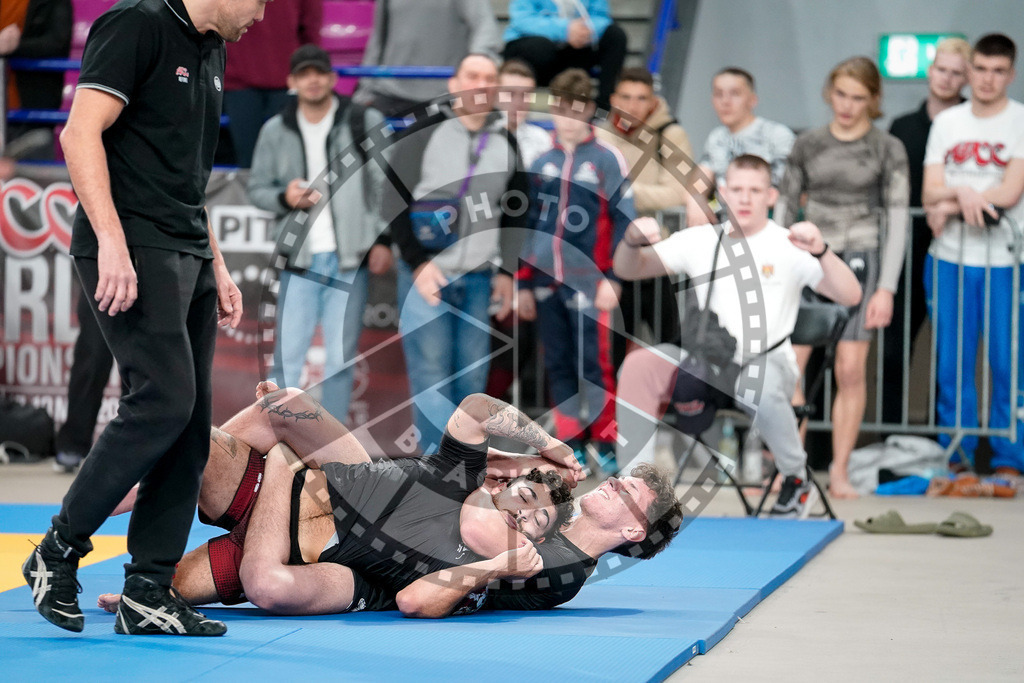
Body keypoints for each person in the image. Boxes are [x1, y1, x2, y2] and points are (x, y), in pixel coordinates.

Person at [22, 0, 261, 637]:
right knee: (161, 401)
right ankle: (58, 549)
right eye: (261, 2)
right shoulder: (135, 24)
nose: (262, 16)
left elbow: (185, 180)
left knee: (188, 425)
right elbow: (79, 134)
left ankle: (148, 590)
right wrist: (111, 244)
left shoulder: (212, 49)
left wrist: (219, 263)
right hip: (131, 244)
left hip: (187, 251)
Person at [100, 385, 578, 615]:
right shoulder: (464, 474)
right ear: (502, 485)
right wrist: (547, 445)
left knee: (250, 586)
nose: (525, 513)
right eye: (528, 498)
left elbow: (416, 602)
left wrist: (495, 567)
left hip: (282, 535)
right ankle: (86, 515)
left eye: (536, 522)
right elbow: (479, 408)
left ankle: (274, 460)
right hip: (290, 486)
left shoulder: (474, 578)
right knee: (219, 428)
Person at [612, 155, 862, 517]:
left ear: (771, 196)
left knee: (755, 380)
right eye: (737, 190)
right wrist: (631, 240)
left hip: (765, 363)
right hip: (703, 364)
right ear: (723, 193)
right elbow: (628, 269)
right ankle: (636, 489)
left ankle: (795, 477)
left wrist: (822, 251)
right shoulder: (699, 240)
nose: (744, 199)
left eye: (755, 190)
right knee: (638, 364)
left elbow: (851, 296)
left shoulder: (788, 243)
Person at [775, 56, 910, 499]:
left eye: (858, 97)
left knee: (851, 369)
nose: (847, 105)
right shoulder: (808, 144)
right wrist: (775, 265)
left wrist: (887, 286)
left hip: (862, 258)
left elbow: (897, 219)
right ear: (829, 93)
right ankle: (791, 471)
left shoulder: (887, 148)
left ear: (873, 100)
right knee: (791, 368)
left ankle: (840, 471)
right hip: (807, 257)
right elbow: (782, 209)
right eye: (841, 94)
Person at [384, 54, 526, 451]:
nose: (480, 84)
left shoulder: (506, 141)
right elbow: (391, 202)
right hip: (428, 276)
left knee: (472, 383)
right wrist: (417, 264)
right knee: (431, 377)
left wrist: (507, 272)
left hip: (480, 278)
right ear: (455, 82)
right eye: (472, 75)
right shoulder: (423, 133)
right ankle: (433, 475)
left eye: (488, 78)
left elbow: (520, 210)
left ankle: (467, 473)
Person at [248, 44, 392, 424]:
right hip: (300, 260)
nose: (313, 80)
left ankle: (333, 447)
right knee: (286, 359)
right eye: (304, 73)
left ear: (332, 77)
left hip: (349, 258)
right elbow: (257, 188)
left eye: (319, 72)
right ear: (291, 81)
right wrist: (284, 196)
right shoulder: (275, 129)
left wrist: (381, 239)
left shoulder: (363, 119)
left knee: (340, 358)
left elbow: (385, 185)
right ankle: (278, 438)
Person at [517, 68, 634, 473]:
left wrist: (614, 278)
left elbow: (624, 221)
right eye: (561, 111)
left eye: (576, 111)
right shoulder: (541, 161)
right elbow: (529, 225)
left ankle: (605, 442)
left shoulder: (606, 158)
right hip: (546, 282)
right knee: (558, 364)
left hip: (591, 282)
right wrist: (524, 284)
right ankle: (570, 444)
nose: (568, 119)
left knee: (595, 365)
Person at [922, 33, 1024, 478]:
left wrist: (950, 205)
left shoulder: (1020, 120)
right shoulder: (948, 122)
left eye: (998, 71)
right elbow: (928, 190)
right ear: (970, 71)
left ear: (1011, 74)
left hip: (1006, 260)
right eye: (980, 69)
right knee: (954, 362)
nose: (987, 79)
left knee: (1008, 362)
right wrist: (957, 193)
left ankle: (1009, 459)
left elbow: (1010, 191)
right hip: (949, 257)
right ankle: (958, 457)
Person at [882, 38, 970, 428]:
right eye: (942, 69)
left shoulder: (973, 127)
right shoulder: (902, 127)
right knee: (895, 347)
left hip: (961, 247)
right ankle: (889, 436)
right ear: (930, 71)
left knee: (951, 351)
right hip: (907, 249)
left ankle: (943, 439)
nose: (947, 78)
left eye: (956, 72)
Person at [596, 65, 692, 372]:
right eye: (625, 96)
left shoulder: (670, 133)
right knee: (612, 341)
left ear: (653, 102)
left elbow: (677, 193)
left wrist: (622, 191)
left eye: (641, 98)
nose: (632, 105)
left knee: (668, 337)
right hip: (606, 251)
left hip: (654, 251)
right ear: (613, 98)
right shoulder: (597, 134)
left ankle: (679, 403)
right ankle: (612, 413)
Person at [354, 0, 500, 116]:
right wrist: (366, 87)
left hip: (441, 96)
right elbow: (378, 40)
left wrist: (478, 61)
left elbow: (485, 29)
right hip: (389, 93)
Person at [221, 0, 321, 167]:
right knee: (273, 163)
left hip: (281, 80)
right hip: (247, 80)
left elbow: (311, 24)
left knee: (284, 163)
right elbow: (311, 26)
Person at [502, 0, 627, 112]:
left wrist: (583, 29)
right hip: (532, 50)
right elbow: (522, 19)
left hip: (572, 51)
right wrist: (565, 29)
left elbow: (601, 17)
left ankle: (603, 108)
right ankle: (523, 102)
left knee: (615, 35)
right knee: (542, 47)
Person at [698, 67, 795, 193]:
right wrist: (695, 198)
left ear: (753, 100)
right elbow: (700, 182)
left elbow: (789, 190)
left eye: (735, 93)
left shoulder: (777, 134)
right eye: (718, 94)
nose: (725, 101)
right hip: (726, 211)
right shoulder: (716, 137)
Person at [1, 0, 72, 160]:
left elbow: (58, 42)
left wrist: (16, 47)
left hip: (33, 109)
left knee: (34, 173)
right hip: (9, 110)